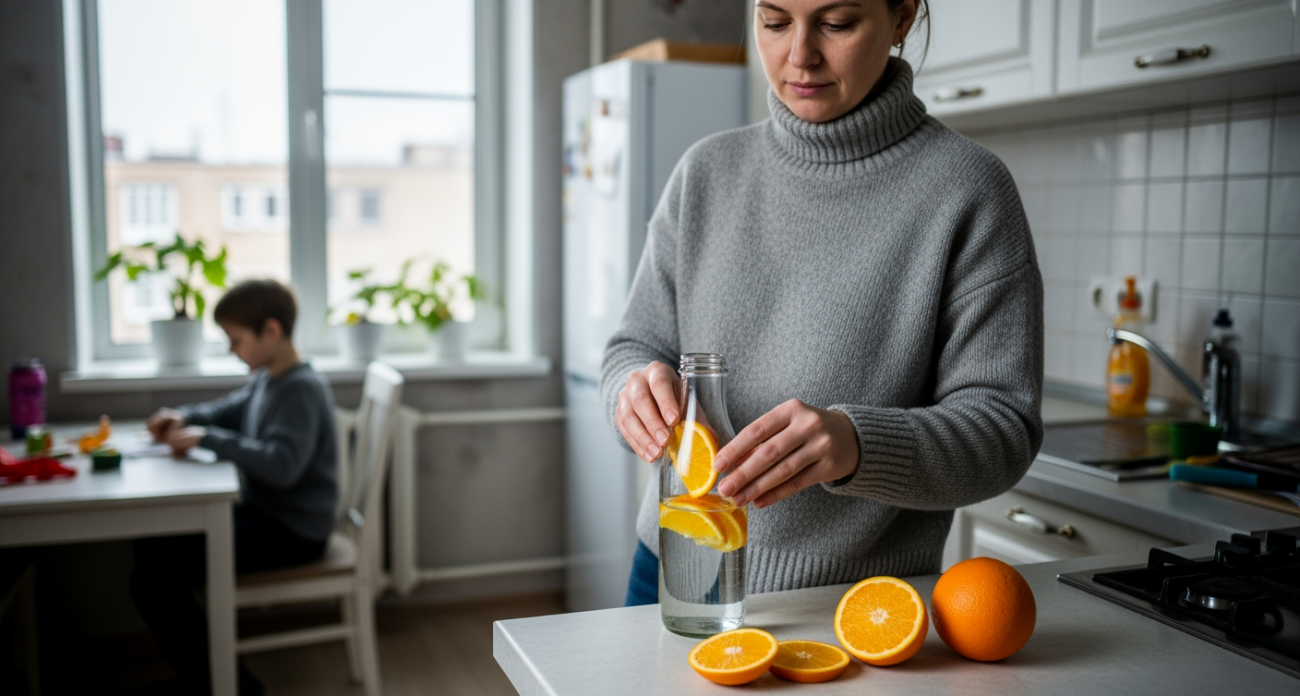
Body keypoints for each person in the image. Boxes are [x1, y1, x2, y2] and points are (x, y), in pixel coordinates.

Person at [605, 0, 1044, 606]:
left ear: (901, 18)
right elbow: (633, 347)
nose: (799, 54)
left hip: (853, 605)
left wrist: (855, 444)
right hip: (674, 563)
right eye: (775, 21)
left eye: (836, 23)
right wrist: (633, 391)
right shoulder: (705, 172)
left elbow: (1003, 430)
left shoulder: (968, 190)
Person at [131, 279, 339, 695]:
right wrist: (184, 417)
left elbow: (282, 467)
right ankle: (210, 676)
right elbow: (227, 411)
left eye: (236, 339)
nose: (232, 349)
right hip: (270, 518)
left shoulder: (301, 388)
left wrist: (207, 440)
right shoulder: (269, 378)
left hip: (293, 532)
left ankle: (232, 686)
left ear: (272, 332)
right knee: (153, 552)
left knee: (153, 578)